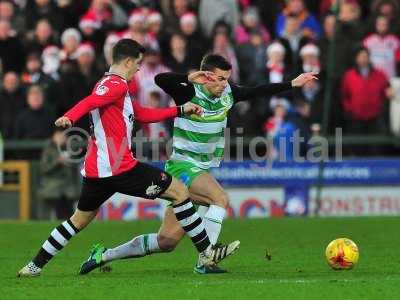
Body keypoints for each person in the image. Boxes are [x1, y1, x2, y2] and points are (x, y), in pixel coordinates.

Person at [18, 39, 239, 277]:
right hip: (120, 168)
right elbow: (91, 101)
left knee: (77, 221)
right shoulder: (115, 84)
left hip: (96, 171)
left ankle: (34, 266)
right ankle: (207, 252)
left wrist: (180, 110)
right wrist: (70, 117)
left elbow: (142, 114)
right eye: (138, 63)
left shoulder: (112, 86)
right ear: (127, 61)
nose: (139, 69)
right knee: (180, 192)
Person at [82, 54, 317, 275]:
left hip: (200, 169)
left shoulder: (229, 94)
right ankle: (207, 259)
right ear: (206, 75)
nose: (225, 84)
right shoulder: (188, 93)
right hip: (182, 166)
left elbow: (257, 91)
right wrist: (188, 77)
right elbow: (160, 79)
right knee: (220, 198)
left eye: (227, 79)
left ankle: (103, 255)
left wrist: (292, 83)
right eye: (220, 78)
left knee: (166, 241)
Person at [38, 128, 79, 220]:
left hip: (68, 188)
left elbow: (75, 167)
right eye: (60, 136)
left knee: (70, 212)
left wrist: (69, 162)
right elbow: (44, 168)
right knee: (59, 210)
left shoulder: (69, 149)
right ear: (54, 137)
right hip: (53, 187)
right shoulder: (48, 150)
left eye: (64, 136)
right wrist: (57, 162)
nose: (62, 138)